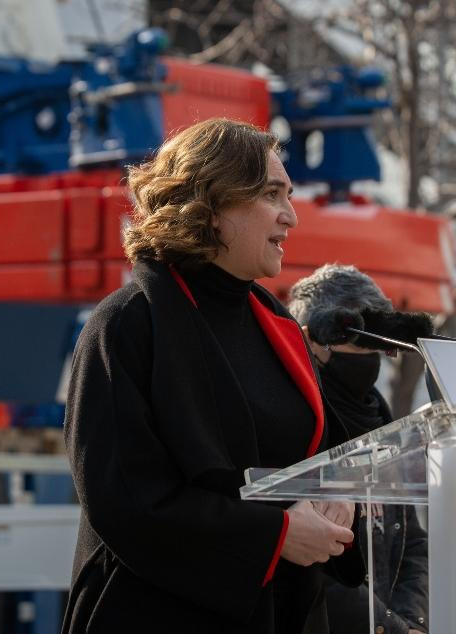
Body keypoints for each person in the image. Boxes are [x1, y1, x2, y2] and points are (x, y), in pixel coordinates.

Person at [61, 118, 362, 634]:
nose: (291, 216)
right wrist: (274, 537)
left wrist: (341, 495)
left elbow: (321, 454)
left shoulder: (278, 323)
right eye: (272, 194)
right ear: (213, 203)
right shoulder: (125, 325)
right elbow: (126, 501)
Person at [288, 264, 433, 634]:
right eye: (356, 340)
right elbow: (309, 568)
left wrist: (411, 622)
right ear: (310, 341)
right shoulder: (293, 427)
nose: (369, 355)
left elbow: (413, 543)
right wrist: (387, 628)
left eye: (376, 342)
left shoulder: (383, 424)